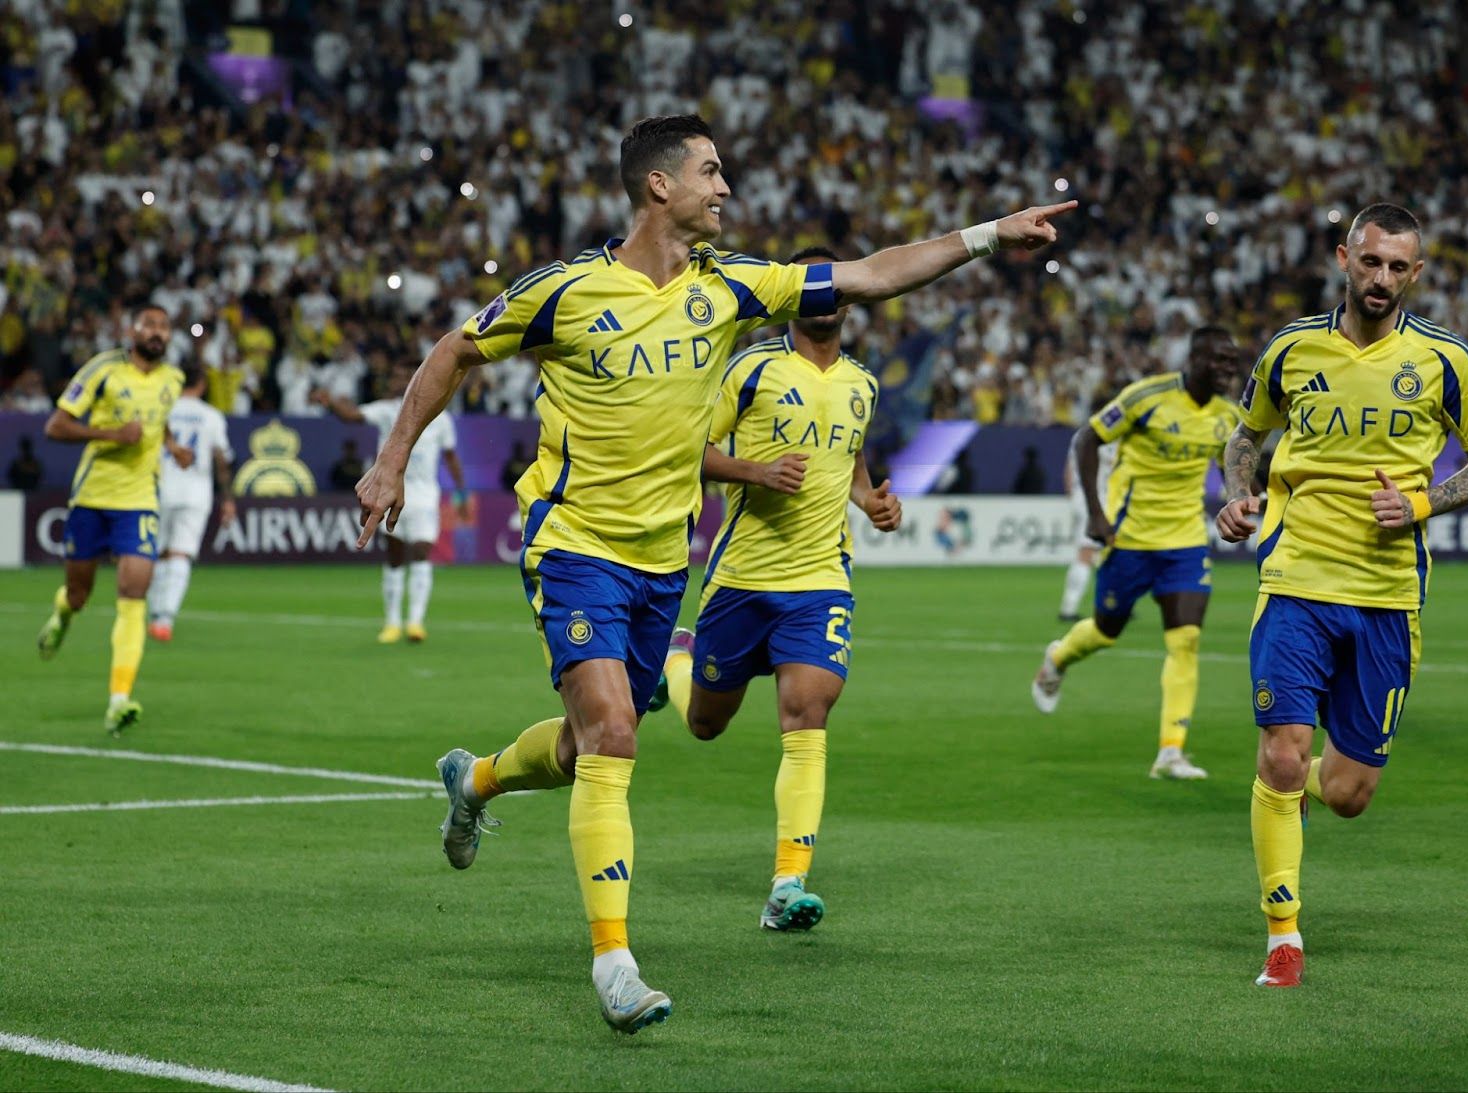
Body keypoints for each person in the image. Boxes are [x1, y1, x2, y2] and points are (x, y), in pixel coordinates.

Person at [352, 113, 1074, 1033]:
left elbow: (873, 273)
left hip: (663, 561)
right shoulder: (565, 291)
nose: (726, 187)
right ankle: (614, 960)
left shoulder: (732, 286)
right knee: (615, 731)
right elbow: (454, 350)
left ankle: (480, 779)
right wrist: (392, 459)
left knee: (585, 747)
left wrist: (986, 235)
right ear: (660, 186)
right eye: (711, 170)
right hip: (573, 540)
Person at [1216, 203, 1468, 989]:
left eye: (1397, 267)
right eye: (1369, 262)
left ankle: (1302, 792)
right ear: (1345, 257)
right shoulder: (1291, 347)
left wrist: (1420, 504)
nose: (1381, 279)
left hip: (1387, 593)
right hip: (1295, 579)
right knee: (1281, 753)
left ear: (1417, 272)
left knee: (1346, 792)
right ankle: (1284, 936)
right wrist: (1240, 495)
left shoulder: (1446, 360)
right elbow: (1244, 437)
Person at [650, 246, 903, 933]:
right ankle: (674, 660)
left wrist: (871, 502)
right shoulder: (750, 369)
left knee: (807, 711)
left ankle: (787, 884)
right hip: (741, 580)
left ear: (847, 299)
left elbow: (850, 462)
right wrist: (755, 472)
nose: (825, 296)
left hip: (821, 581)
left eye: (834, 285)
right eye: (811, 285)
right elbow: (687, 450)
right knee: (706, 723)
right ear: (792, 297)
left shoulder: (862, 384)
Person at [1031, 326, 1243, 780]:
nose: (1228, 370)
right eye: (1221, 361)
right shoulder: (1147, 397)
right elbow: (1087, 440)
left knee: (1185, 640)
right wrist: (1096, 514)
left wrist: (1244, 497)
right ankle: (1058, 659)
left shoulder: (1228, 417)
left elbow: (1235, 466)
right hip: (1129, 538)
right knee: (1107, 630)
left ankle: (1171, 751)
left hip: (1185, 542)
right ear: (1196, 358)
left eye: (1232, 362)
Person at [35, 304, 190, 734]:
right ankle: (62, 615)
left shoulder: (173, 380)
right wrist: (112, 436)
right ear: (132, 330)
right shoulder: (102, 369)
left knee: (133, 593)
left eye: (164, 326)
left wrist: (174, 447)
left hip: (140, 500)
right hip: (92, 497)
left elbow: (159, 423)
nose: (158, 332)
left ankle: (119, 699)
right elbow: (56, 426)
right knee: (79, 594)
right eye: (150, 325)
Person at [315, 368, 468, 643]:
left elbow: (451, 457)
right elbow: (351, 416)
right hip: (392, 491)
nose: (400, 383)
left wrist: (461, 495)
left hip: (424, 495)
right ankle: (392, 622)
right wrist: (330, 400)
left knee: (422, 552)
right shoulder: (387, 411)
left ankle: (415, 623)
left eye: (405, 378)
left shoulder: (441, 418)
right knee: (395, 556)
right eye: (396, 379)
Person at [148, 369, 236, 641]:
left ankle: (154, 612)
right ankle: (165, 618)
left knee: (157, 552)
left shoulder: (162, 409)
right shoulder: (211, 416)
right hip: (195, 493)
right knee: (180, 553)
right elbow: (221, 459)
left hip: (158, 489)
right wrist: (228, 499)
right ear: (201, 384)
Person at [1057, 437, 1115, 622]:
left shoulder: (1081, 435)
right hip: (1095, 500)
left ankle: (1114, 602)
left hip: (1083, 498)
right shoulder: (1109, 435)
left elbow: (1068, 471)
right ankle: (1068, 608)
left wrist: (1072, 497)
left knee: (1109, 552)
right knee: (1087, 553)